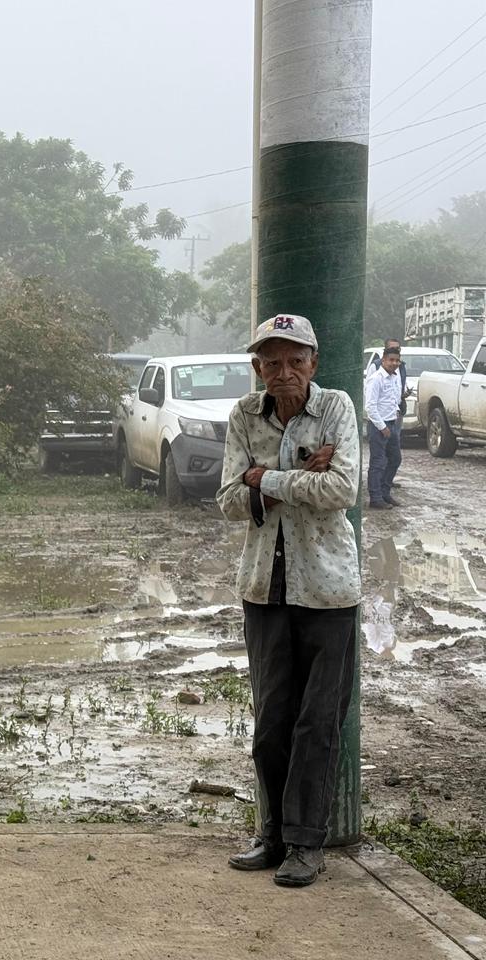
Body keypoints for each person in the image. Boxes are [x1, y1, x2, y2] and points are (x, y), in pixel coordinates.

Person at [217, 313, 361, 889]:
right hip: (264, 588)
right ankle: (271, 834)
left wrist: (266, 478)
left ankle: (307, 845)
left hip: (328, 591)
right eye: (271, 362)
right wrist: (293, 474)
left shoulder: (337, 410)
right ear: (257, 369)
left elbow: (342, 490)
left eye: (295, 360)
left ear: (313, 363)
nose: (284, 373)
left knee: (316, 724)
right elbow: (228, 499)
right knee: (271, 722)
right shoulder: (242, 416)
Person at [364, 347, 403, 509]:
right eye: (391, 360)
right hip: (379, 426)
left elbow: (393, 399)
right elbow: (370, 407)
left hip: (392, 423)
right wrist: (382, 427)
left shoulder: (394, 377)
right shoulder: (376, 379)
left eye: (397, 360)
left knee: (395, 459)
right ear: (384, 360)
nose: (394, 363)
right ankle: (375, 497)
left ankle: (385, 492)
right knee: (378, 462)